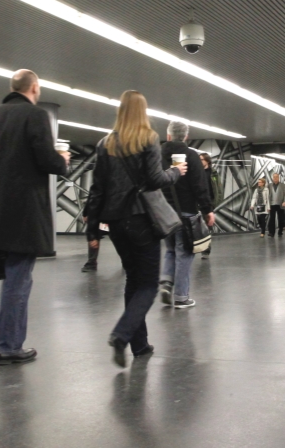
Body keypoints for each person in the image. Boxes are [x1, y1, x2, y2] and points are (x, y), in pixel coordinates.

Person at [0, 69, 71, 365]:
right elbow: (46, 160)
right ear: (35, 88)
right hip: (23, 213)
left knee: (12, 279)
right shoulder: (36, 115)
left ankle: (5, 337)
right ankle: (8, 345)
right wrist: (62, 160)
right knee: (18, 279)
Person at [83, 90, 185, 366]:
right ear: (143, 111)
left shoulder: (105, 144)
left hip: (115, 222)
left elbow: (97, 189)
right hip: (142, 219)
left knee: (132, 278)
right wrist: (176, 172)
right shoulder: (148, 139)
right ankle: (122, 334)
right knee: (149, 284)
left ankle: (140, 345)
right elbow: (154, 179)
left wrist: (92, 229)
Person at [159, 120, 214, 308]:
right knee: (185, 252)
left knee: (171, 250)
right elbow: (200, 185)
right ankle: (181, 297)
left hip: (164, 213)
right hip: (186, 212)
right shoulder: (191, 156)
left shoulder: (157, 155)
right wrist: (207, 210)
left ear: (168, 136)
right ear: (186, 137)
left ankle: (166, 283)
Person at [200, 152, 219, 259]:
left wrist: (216, 202)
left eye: (201, 159)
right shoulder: (197, 172)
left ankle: (206, 250)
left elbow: (218, 189)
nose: (199, 161)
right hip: (198, 202)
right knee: (199, 227)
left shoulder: (213, 173)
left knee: (207, 228)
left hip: (209, 202)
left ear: (207, 161)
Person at [267, 172, 285, 237]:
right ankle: (272, 232)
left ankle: (280, 231)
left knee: (280, 219)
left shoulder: (283, 185)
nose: (275, 178)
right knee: (272, 219)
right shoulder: (269, 185)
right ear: (272, 178)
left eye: (277, 177)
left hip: (280, 204)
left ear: (279, 178)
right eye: (274, 177)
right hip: (272, 204)